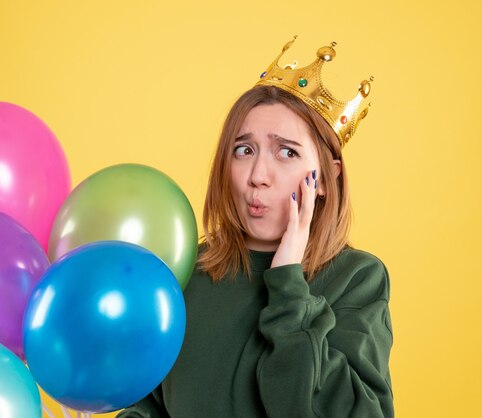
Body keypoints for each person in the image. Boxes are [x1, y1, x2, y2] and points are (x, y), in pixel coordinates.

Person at [119, 37, 394, 418]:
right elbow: (150, 406)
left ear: (327, 180)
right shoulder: (187, 271)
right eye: (244, 150)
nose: (257, 176)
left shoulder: (357, 279)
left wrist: (288, 285)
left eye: (287, 152)